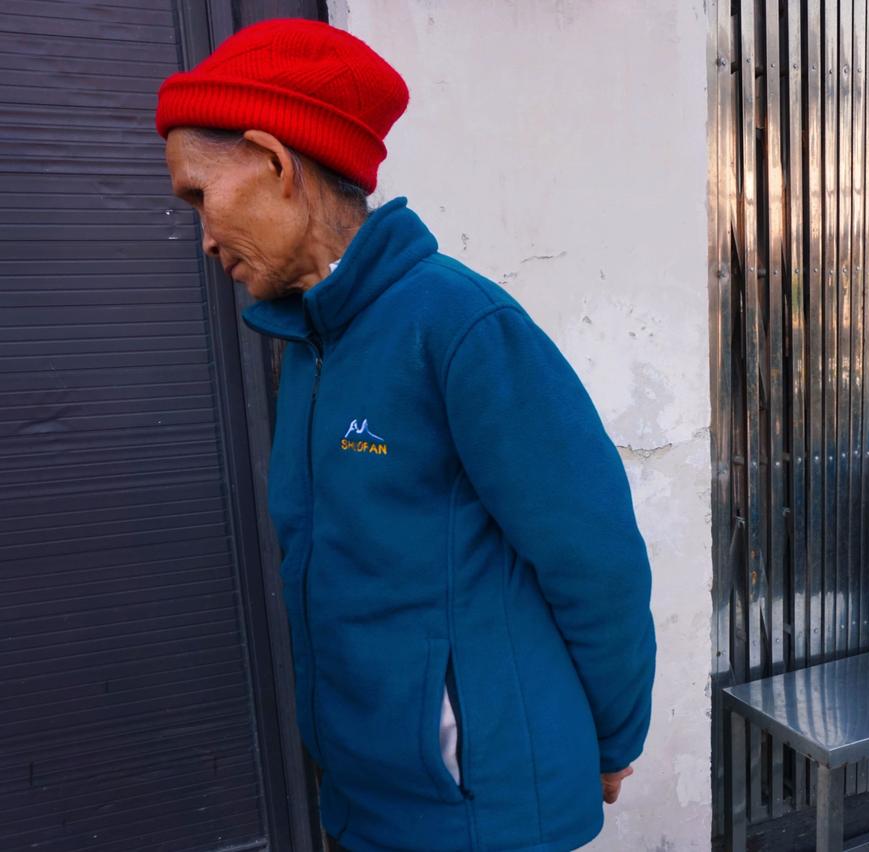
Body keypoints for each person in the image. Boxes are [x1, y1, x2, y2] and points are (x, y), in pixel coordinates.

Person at [156, 19, 656, 851]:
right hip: (373, 803)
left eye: (199, 195)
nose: (203, 237)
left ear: (274, 163)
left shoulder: (459, 325)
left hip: (480, 814)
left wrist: (610, 740)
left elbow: (594, 555)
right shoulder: (312, 344)